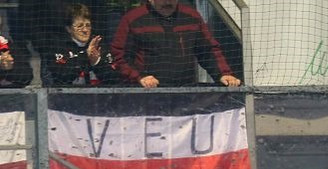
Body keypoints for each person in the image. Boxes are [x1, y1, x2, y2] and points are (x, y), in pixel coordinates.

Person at [109, 0, 241, 88]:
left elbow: (208, 51)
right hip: (147, 93)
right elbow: (120, 55)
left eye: (172, 0)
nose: (168, 3)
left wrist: (223, 74)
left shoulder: (191, 16)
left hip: (186, 91)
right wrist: (139, 77)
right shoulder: (133, 18)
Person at [41, 3, 116, 86]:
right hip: (66, 94)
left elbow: (114, 79)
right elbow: (62, 77)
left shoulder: (100, 45)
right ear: (69, 29)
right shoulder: (58, 47)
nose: (85, 30)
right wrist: (86, 56)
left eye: (88, 25)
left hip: (99, 93)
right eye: (80, 26)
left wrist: (96, 62)